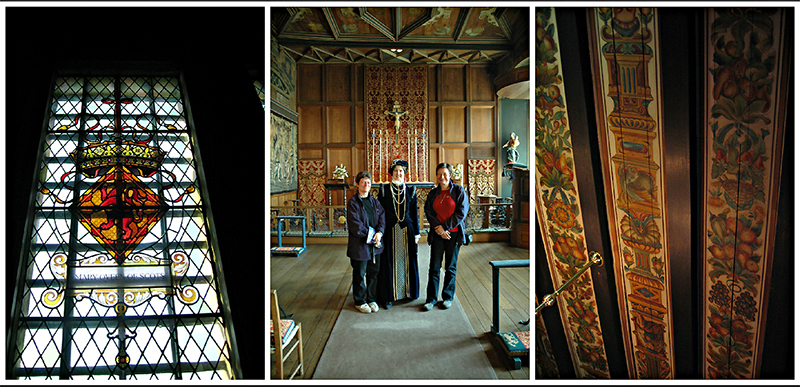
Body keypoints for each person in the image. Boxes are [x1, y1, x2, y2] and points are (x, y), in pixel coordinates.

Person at [422, 162, 469, 311]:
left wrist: (445, 227)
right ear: (436, 176)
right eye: (439, 174)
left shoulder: (458, 191)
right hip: (437, 235)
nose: (442, 177)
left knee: (450, 267)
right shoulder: (433, 193)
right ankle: (431, 299)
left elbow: (461, 212)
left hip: (453, 235)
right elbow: (428, 211)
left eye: (445, 174)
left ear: (450, 175)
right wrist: (438, 228)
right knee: (434, 267)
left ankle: (447, 297)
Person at [377, 159, 420, 309]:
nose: (398, 173)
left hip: (407, 231)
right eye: (396, 171)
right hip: (389, 232)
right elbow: (379, 213)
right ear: (391, 173)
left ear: (405, 173)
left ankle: (408, 292)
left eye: (401, 171)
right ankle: (388, 296)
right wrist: (379, 231)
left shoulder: (411, 190)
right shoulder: (383, 190)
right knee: (388, 263)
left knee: (407, 261)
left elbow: (414, 214)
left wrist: (417, 233)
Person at [346, 171, 385, 314]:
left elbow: (382, 217)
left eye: (368, 183)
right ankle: (360, 301)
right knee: (360, 273)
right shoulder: (353, 202)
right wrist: (371, 236)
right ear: (357, 184)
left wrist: (379, 233)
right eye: (363, 182)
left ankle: (371, 298)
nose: (366, 185)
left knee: (373, 273)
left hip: (376, 244)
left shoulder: (375, 201)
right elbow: (355, 224)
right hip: (360, 244)